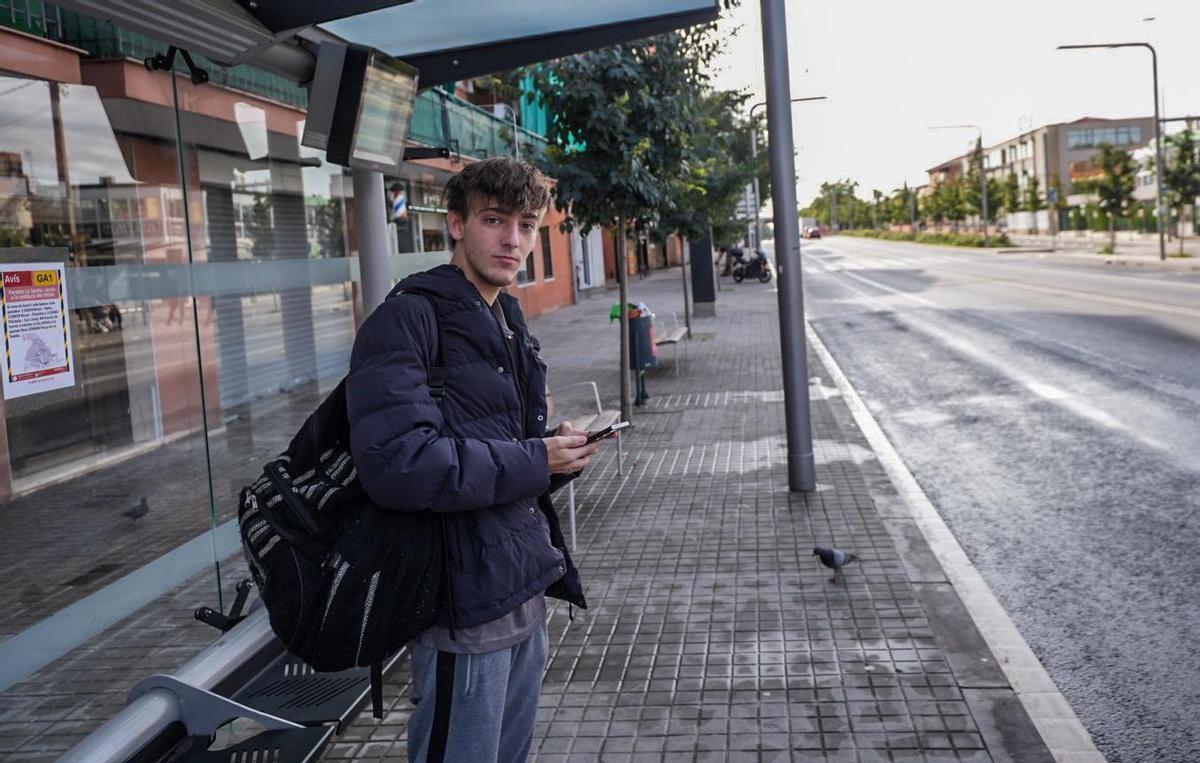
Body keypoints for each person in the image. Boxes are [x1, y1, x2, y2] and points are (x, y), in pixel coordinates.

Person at [345, 157, 603, 762]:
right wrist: (534, 460)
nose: (513, 239)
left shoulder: (507, 319)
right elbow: (400, 465)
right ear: (456, 225)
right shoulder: (407, 319)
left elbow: (503, 451)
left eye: (527, 224)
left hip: (523, 589)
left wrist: (554, 454)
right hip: (460, 610)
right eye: (494, 220)